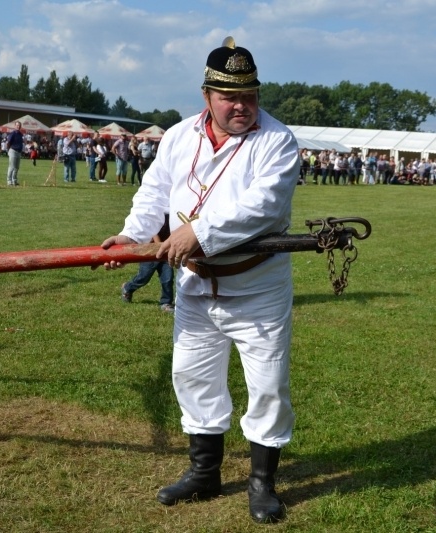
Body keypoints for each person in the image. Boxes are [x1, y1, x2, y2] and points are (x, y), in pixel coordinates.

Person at [99, 36, 299, 524]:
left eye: (249, 96)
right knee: (192, 376)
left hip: (256, 285)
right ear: (206, 96)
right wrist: (133, 235)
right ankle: (204, 474)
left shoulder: (278, 141)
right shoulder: (178, 135)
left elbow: (263, 207)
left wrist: (198, 232)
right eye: (230, 97)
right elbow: (155, 191)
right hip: (193, 284)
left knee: (268, 386)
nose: (242, 107)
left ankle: (261, 485)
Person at [120, 214, 175, 313]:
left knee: (168, 279)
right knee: (143, 278)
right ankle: (127, 287)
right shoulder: (157, 208)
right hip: (150, 251)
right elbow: (152, 229)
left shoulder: (174, 210)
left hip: (166, 251)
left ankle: (166, 303)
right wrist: (159, 246)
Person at [6, 121, 24, 186]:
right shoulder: (13, 133)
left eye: (19, 125)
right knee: (12, 167)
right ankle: (9, 181)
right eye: (17, 125)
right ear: (15, 126)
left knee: (16, 167)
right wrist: (8, 150)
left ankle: (14, 180)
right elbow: (8, 143)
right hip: (13, 151)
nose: (18, 126)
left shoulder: (20, 134)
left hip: (18, 152)